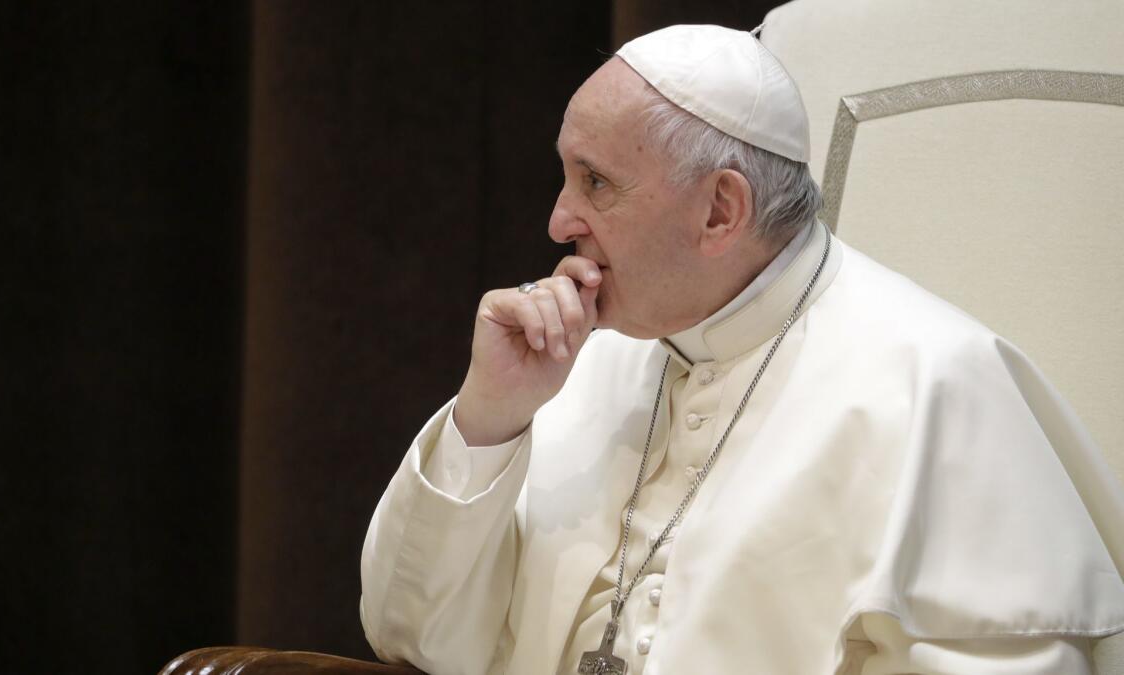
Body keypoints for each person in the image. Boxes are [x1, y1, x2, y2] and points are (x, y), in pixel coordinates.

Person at [359, 24, 1124, 675]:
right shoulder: (579, 357)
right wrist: (490, 420)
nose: (559, 221)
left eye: (595, 182)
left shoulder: (937, 384)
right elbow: (411, 636)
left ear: (721, 209)